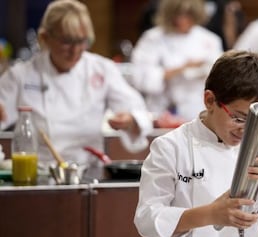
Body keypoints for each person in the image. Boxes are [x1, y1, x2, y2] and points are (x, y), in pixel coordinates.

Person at [134, 50, 258, 237]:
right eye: (239, 118)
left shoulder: (256, 147)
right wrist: (211, 214)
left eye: (256, 121)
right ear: (210, 100)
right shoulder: (171, 147)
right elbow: (147, 220)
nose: (246, 130)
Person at [0, 0, 153, 172]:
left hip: (89, 172)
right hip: (38, 173)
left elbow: (138, 110)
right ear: (45, 38)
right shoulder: (21, 75)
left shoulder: (101, 69)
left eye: (82, 41)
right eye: (67, 41)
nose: (75, 50)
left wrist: (130, 120)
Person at [130, 0, 223, 122]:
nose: (182, 20)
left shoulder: (210, 40)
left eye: (188, 15)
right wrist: (181, 69)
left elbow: (220, 78)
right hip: (161, 111)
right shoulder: (152, 38)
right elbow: (140, 78)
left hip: (195, 109)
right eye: (178, 14)